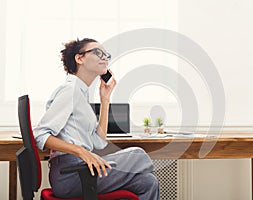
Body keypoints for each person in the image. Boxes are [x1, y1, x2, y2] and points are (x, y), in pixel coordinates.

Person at [33, 38, 160, 199]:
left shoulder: (81, 94)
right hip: (71, 175)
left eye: (106, 55)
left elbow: (99, 142)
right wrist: (81, 152)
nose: (104, 57)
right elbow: (40, 135)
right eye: (98, 52)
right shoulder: (70, 91)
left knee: (148, 182)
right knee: (138, 155)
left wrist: (105, 99)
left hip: (83, 171)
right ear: (79, 58)